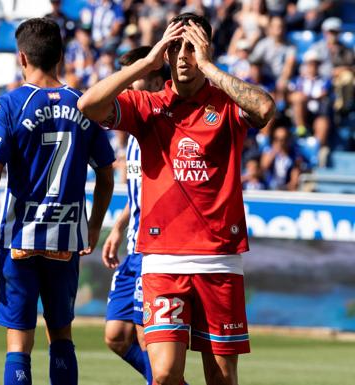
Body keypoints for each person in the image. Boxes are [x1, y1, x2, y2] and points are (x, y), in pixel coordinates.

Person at [78, 12, 275, 385]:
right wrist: (145, 62)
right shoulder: (147, 105)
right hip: (163, 259)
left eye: (191, 46)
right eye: (175, 47)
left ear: (206, 50)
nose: (183, 56)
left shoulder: (228, 102)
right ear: (165, 55)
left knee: (220, 378)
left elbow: (264, 109)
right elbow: (88, 105)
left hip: (220, 259)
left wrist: (209, 66)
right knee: (165, 373)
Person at [0, 18, 115, 385]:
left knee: (19, 341)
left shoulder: (10, 103)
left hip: (21, 239)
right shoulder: (84, 104)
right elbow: (107, 173)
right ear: (61, 56)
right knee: (61, 334)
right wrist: (92, 226)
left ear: (22, 57)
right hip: (65, 238)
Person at [101, 45, 164, 385]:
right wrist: (118, 226)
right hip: (132, 247)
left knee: (146, 337)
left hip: (154, 250)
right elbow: (138, 192)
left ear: (154, 80)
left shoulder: (162, 127)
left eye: (134, 80)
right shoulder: (134, 134)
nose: (126, 90)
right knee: (115, 336)